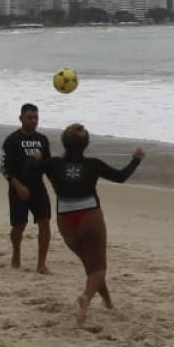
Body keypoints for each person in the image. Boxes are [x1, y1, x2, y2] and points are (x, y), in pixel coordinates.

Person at [27, 125, 144, 324]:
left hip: (65, 217)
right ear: (86, 144)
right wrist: (136, 159)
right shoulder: (93, 164)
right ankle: (86, 298)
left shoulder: (52, 164)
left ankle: (108, 302)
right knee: (98, 268)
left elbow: (28, 170)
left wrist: (34, 158)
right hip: (89, 214)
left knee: (91, 266)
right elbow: (120, 177)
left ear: (64, 142)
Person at [0, 102, 55, 273]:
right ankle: (16, 253)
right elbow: (4, 168)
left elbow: (48, 165)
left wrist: (42, 161)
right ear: (21, 118)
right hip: (18, 188)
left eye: (36, 118)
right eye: (29, 118)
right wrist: (18, 187)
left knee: (45, 222)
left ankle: (41, 263)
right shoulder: (12, 140)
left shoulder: (42, 140)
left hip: (38, 188)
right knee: (19, 226)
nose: (33, 121)